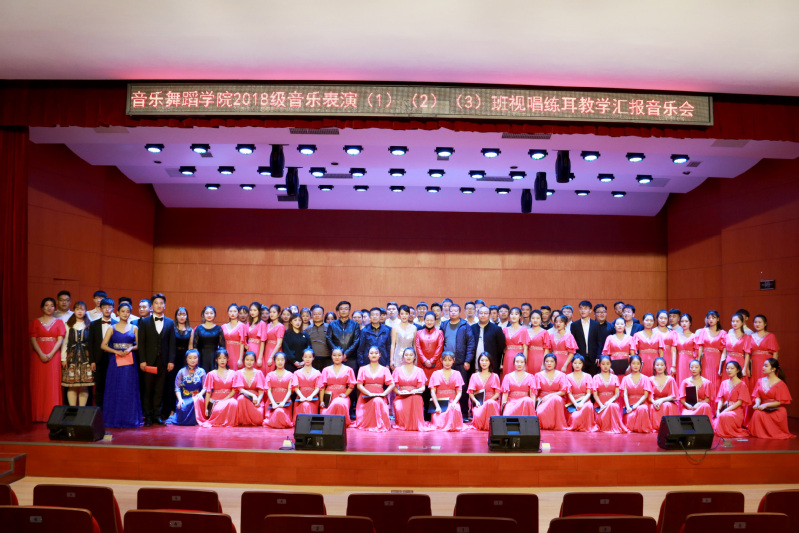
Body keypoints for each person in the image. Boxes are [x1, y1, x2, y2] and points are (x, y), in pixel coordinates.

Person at [100, 302, 141, 428]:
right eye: (123, 311)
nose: (125, 314)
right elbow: (103, 345)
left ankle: (129, 419)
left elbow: (139, 345)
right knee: (115, 388)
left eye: (128, 312)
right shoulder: (111, 328)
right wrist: (116, 351)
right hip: (115, 361)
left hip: (129, 361)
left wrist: (131, 348)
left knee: (128, 388)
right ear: (117, 313)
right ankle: (114, 419)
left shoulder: (134, 328)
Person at [137, 293, 176, 427]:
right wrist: (142, 360)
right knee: (148, 390)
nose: (159, 305)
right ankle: (148, 416)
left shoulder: (170, 322)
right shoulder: (145, 322)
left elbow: (172, 343)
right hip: (149, 361)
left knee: (160, 390)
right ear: (152, 306)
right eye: (156, 303)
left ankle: (157, 416)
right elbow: (141, 343)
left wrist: (171, 360)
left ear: (164, 305)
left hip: (163, 362)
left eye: (161, 303)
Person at [30, 297, 67, 422]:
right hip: (38, 355)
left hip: (54, 355)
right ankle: (38, 414)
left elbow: (60, 340)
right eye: (46, 305)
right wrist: (41, 354)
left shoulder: (59, 322)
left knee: (53, 383)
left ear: (54, 308)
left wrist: (51, 354)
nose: (49, 308)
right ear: (42, 307)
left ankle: (52, 414)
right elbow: (33, 339)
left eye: (52, 305)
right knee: (38, 383)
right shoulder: (35, 322)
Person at [440, 303, 475, 418]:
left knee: (462, 387)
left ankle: (464, 413)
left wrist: (467, 360)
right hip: (446, 361)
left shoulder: (465, 325)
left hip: (461, 361)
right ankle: (446, 412)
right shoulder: (444, 325)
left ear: (460, 312)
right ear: (448, 312)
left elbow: (470, 344)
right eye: (451, 311)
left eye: (455, 311)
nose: (453, 313)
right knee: (446, 387)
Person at [749, 358, 795, 439]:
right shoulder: (760, 381)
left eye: (766, 366)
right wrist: (757, 403)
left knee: (780, 412)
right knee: (757, 413)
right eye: (763, 365)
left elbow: (780, 402)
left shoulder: (780, 383)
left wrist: (767, 405)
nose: (763, 367)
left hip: (776, 409)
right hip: (763, 407)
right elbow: (757, 396)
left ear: (773, 369)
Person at [353, 346, 395, 432]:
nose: (374, 355)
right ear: (368, 355)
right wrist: (369, 393)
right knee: (375, 401)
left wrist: (384, 394)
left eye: (376, 353)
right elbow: (359, 385)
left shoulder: (385, 369)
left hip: (380, 395)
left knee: (377, 400)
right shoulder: (362, 369)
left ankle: (379, 424)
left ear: (380, 355)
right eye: (371, 353)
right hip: (365, 397)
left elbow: (392, 384)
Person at [60, 301, 93, 406]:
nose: (80, 311)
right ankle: (73, 409)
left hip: (86, 357)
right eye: (77, 309)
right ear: (74, 310)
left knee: (84, 385)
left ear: (86, 311)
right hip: (71, 357)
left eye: (82, 309)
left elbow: (92, 343)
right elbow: (65, 342)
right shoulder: (68, 324)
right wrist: (63, 359)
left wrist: (93, 360)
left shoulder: (90, 324)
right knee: (72, 385)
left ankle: (82, 410)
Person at [391, 347, 430, 431]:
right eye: (406, 355)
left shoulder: (419, 371)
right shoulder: (397, 370)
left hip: (414, 395)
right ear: (403, 357)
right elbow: (392, 386)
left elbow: (423, 387)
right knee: (399, 407)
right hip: (401, 396)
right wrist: (399, 392)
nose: (408, 357)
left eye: (411, 355)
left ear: (414, 357)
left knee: (416, 398)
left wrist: (416, 390)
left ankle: (416, 424)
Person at [88, 297, 116, 408]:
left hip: (113, 358)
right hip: (98, 359)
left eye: (109, 307)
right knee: (99, 386)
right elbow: (91, 344)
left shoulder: (117, 324)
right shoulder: (94, 324)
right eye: (104, 307)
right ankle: (99, 410)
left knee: (112, 384)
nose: (107, 309)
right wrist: (92, 361)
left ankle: (111, 408)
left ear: (113, 309)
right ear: (100, 309)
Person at [199, 349, 238, 427]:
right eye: (220, 358)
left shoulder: (233, 373)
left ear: (227, 359)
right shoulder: (211, 374)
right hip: (215, 401)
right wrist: (206, 408)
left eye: (224, 358)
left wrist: (224, 400)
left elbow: (234, 391)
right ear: (216, 360)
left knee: (234, 402)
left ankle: (229, 422)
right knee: (218, 410)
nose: (222, 360)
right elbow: (208, 392)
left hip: (228, 399)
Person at [166, 350, 206, 426]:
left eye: (195, 358)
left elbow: (205, 387)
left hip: (196, 396)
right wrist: (180, 399)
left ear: (198, 359)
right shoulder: (181, 371)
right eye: (190, 358)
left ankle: (196, 421)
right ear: (186, 359)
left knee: (196, 401)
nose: (192, 360)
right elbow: (177, 388)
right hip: (184, 397)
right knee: (183, 406)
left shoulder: (202, 371)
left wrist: (200, 394)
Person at [714, 361, 752, 438]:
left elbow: (739, 402)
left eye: (732, 368)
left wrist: (725, 410)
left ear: (737, 370)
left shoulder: (742, 384)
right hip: (725, 408)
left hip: (736, 411)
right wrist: (718, 410)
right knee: (718, 418)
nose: (729, 370)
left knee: (724, 416)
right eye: (727, 368)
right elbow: (721, 399)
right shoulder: (724, 383)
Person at [429, 351, 465, 431]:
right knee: (440, 421)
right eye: (445, 360)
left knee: (454, 409)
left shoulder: (457, 373)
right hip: (439, 402)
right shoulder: (435, 374)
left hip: (452, 401)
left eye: (450, 360)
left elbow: (459, 392)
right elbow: (432, 392)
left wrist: (454, 402)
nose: (447, 363)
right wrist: (437, 406)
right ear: (441, 360)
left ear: (453, 360)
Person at [319, 347, 357, 425]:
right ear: (331, 356)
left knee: (339, 403)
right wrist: (322, 401)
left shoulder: (349, 369)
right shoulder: (326, 370)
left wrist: (345, 394)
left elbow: (351, 385)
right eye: (334, 355)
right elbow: (322, 387)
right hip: (329, 397)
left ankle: (339, 426)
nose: (337, 357)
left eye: (339, 355)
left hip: (342, 396)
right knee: (324, 412)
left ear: (343, 356)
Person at [416, 311, 443, 416]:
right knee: (423, 388)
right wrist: (424, 360)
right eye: (427, 320)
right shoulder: (419, 333)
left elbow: (439, 348)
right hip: (422, 365)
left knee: (434, 388)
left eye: (432, 320)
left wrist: (431, 361)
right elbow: (418, 348)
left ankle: (434, 413)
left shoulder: (439, 333)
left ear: (435, 321)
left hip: (435, 365)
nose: (429, 322)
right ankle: (424, 413)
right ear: (424, 320)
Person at [592, 356, 629, 433]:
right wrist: (601, 405)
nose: (605, 366)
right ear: (599, 365)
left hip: (612, 403)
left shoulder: (615, 377)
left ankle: (614, 427)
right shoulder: (595, 377)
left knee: (613, 406)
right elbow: (595, 395)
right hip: (600, 406)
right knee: (610, 407)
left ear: (610, 364)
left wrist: (609, 402)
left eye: (607, 364)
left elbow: (617, 394)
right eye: (603, 364)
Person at [467, 352, 501, 431]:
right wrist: (476, 401)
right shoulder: (474, 376)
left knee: (490, 403)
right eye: (482, 360)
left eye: (486, 360)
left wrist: (488, 401)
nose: (484, 362)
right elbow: (471, 393)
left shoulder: (495, 376)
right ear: (479, 362)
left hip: (492, 403)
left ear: (490, 362)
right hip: (479, 404)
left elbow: (497, 393)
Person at [695, 310, 726, 397]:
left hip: (717, 360)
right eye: (709, 318)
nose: (711, 320)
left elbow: (724, 352)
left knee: (716, 382)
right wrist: (698, 363)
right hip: (705, 360)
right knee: (704, 379)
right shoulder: (703, 331)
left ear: (718, 319)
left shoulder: (723, 333)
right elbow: (700, 348)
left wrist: (721, 366)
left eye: (713, 317)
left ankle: (715, 403)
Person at [535, 354, 570, 430]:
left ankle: (558, 425)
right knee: (540, 413)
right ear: (544, 363)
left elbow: (563, 392)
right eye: (547, 361)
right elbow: (535, 392)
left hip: (557, 400)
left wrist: (549, 396)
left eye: (551, 361)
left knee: (556, 399)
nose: (549, 363)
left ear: (555, 363)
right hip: (543, 399)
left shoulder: (561, 375)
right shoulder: (538, 375)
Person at [620, 355, 653, 433]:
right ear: (630, 365)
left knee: (643, 409)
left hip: (641, 403)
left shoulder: (645, 378)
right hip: (629, 405)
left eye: (638, 363)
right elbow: (625, 394)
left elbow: (645, 395)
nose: (636, 366)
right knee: (630, 418)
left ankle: (642, 429)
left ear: (641, 365)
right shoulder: (625, 378)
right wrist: (628, 406)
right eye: (633, 363)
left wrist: (637, 405)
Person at [749, 314, 780, 394]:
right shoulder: (749, 337)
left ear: (765, 324)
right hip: (754, 364)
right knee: (753, 382)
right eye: (755, 322)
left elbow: (775, 353)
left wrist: (772, 366)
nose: (757, 324)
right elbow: (747, 354)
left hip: (766, 363)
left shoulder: (771, 336)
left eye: (760, 322)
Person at [233, 351, 266, 426]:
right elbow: (240, 389)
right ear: (244, 360)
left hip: (256, 399)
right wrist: (252, 395)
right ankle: (243, 421)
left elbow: (261, 391)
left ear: (254, 361)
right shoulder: (238, 373)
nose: (249, 362)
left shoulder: (259, 373)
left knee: (258, 419)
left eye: (251, 360)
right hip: (245, 396)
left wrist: (258, 400)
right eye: (247, 359)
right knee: (241, 398)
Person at [471, 306, 506, 374]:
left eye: (485, 313)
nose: (483, 315)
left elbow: (501, 348)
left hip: (491, 364)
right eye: (481, 313)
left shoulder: (497, 329)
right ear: (477, 314)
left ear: (489, 315)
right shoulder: (472, 328)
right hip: (474, 364)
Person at [263, 352, 295, 428]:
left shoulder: (290, 375)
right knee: (277, 411)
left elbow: (290, 391)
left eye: (282, 360)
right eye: (278, 360)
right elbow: (268, 390)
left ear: (285, 361)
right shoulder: (269, 375)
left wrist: (283, 402)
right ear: (274, 361)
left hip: (285, 403)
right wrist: (273, 403)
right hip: (272, 403)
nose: (280, 362)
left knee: (279, 411)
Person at [566, 355, 596, 432]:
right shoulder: (568, 377)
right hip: (573, 402)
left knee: (588, 406)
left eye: (579, 363)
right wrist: (576, 404)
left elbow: (589, 393)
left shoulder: (588, 376)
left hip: (585, 401)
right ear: (572, 364)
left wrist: (582, 403)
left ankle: (586, 426)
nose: (577, 365)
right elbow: (569, 393)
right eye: (575, 363)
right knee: (575, 417)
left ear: (583, 364)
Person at [292, 348, 322, 422]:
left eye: (310, 357)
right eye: (305, 357)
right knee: (304, 405)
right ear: (302, 358)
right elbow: (296, 388)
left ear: (313, 358)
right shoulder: (297, 373)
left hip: (313, 399)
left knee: (307, 405)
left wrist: (311, 396)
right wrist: (302, 396)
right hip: (300, 399)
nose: (307, 359)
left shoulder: (317, 373)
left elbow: (318, 388)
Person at [648, 357, 679, 429]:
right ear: (654, 367)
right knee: (652, 407)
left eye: (662, 365)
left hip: (667, 401)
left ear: (665, 367)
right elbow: (649, 396)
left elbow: (673, 396)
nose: (660, 367)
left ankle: (669, 427)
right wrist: (654, 402)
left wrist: (661, 400)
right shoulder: (650, 379)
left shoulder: (670, 379)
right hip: (654, 402)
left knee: (667, 405)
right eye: (657, 365)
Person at [632, 313, 665, 377]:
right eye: (647, 320)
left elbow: (661, 351)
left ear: (653, 322)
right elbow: (633, 351)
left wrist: (661, 363)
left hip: (655, 360)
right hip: (642, 361)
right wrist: (635, 363)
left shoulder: (658, 335)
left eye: (651, 320)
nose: (649, 322)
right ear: (643, 321)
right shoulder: (637, 335)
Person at [724, 313, 752, 386]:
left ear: (742, 323)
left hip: (740, 362)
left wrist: (745, 368)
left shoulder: (747, 337)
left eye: (737, 321)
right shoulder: (727, 336)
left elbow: (747, 354)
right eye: (733, 321)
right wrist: (721, 367)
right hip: (728, 361)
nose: (735, 323)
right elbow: (724, 353)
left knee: (740, 384)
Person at [194, 305, 224, 373]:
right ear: (203, 315)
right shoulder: (198, 328)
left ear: (214, 315)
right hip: (201, 356)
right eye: (207, 313)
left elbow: (222, 346)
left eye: (211, 313)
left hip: (214, 356)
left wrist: (220, 358)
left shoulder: (218, 328)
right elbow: (195, 346)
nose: (209, 315)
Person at [501, 307, 530, 376]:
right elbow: (502, 347)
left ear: (520, 316)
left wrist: (524, 362)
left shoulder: (523, 330)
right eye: (512, 314)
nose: (514, 316)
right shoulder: (505, 330)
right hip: (507, 356)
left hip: (519, 356)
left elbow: (525, 348)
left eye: (516, 314)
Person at [672, 314, 699, 383]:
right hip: (679, 361)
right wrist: (673, 365)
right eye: (682, 321)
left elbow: (697, 353)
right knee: (680, 379)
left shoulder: (694, 336)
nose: (684, 323)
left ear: (690, 323)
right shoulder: (676, 335)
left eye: (686, 321)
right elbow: (673, 350)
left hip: (690, 361)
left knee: (690, 380)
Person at [390, 305, 417, 371]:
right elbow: (393, 345)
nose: (404, 316)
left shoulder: (414, 328)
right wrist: (391, 360)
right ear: (399, 315)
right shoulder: (395, 328)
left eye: (406, 314)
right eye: (402, 314)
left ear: (409, 315)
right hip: (398, 357)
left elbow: (414, 345)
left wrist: (416, 358)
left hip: (410, 357)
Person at [222, 303, 247, 371]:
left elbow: (242, 343)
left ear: (238, 313)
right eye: (230, 311)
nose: (232, 313)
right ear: (228, 313)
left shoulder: (242, 326)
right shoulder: (223, 326)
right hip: (226, 352)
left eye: (235, 311)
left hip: (237, 353)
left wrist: (240, 359)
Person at [306, 304, 330, 370]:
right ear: (312, 316)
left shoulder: (329, 327)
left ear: (323, 315)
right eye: (315, 314)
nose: (317, 316)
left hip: (327, 358)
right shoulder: (308, 329)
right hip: (312, 359)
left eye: (319, 314)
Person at [264, 304, 286, 373]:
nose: (271, 314)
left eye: (274, 312)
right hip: (267, 349)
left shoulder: (280, 326)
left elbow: (279, 344)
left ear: (279, 314)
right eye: (270, 312)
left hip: (275, 350)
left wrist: (271, 357)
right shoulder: (268, 325)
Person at [245, 301, 267, 367]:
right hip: (248, 348)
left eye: (255, 310)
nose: (252, 312)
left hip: (257, 348)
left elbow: (262, 342)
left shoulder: (262, 323)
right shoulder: (248, 323)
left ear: (259, 311)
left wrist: (260, 358)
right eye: (251, 310)